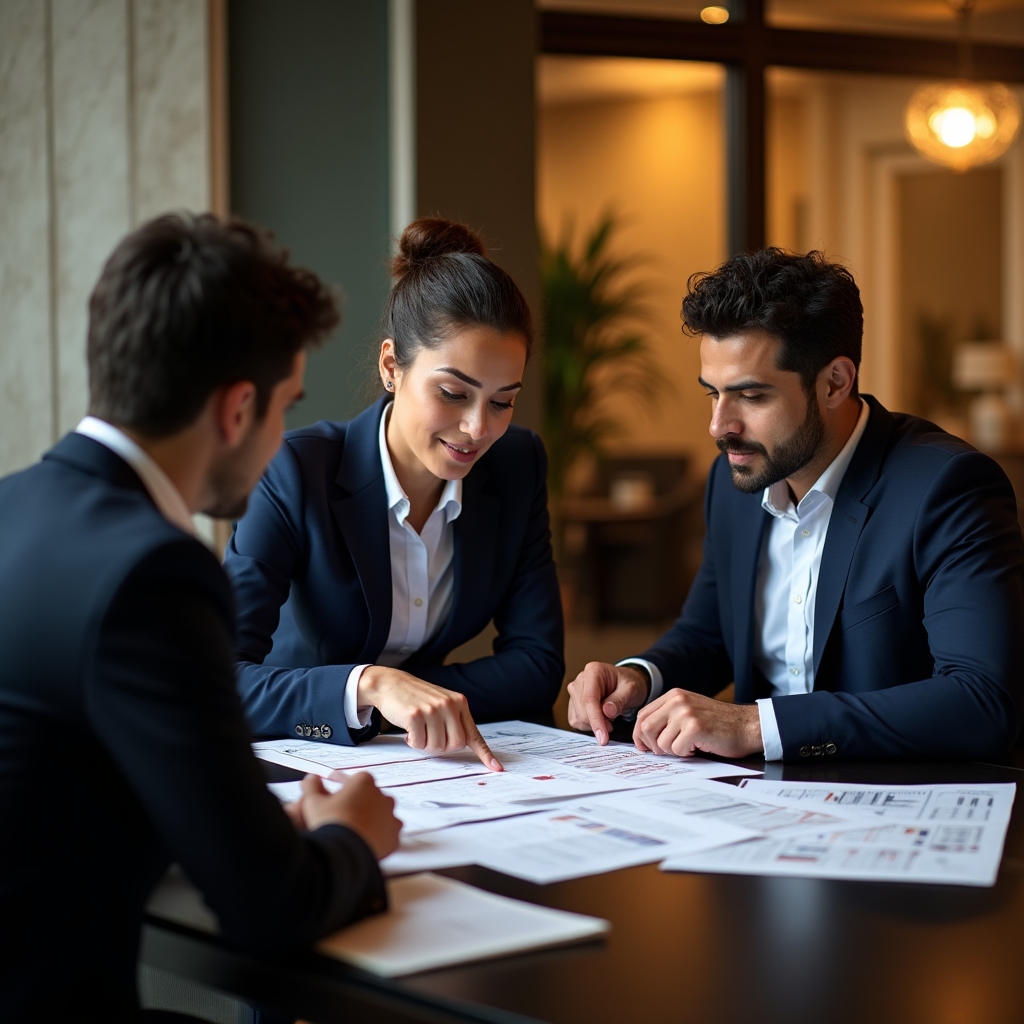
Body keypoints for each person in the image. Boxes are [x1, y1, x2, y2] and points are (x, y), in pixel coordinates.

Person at [0, 213, 402, 1023]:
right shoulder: (155, 574)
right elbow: (269, 910)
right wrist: (354, 837)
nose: (282, 436)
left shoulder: (11, 506)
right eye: (285, 405)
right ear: (236, 409)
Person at [568, 248, 1024, 762]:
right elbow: (710, 634)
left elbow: (983, 701)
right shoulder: (734, 478)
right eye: (712, 394)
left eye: (752, 397)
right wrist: (637, 677)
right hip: (757, 804)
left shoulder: (948, 487)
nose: (719, 427)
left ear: (835, 382)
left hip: (895, 801)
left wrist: (756, 725)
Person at [224, 218, 564, 766]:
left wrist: (411, 699)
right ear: (391, 366)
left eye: (502, 401)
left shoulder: (517, 464)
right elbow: (220, 677)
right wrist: (369, 689)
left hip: (431, 767)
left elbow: (537, 664)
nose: (479, 428)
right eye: (453, 393)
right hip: (299, 757)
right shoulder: (293, 470)